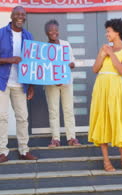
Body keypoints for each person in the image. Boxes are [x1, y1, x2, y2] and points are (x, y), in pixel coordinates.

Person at [0, 6, 38, 163]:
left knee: (23, 117)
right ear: (11, 15)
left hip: (20, 83)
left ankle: (24, 150)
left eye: (23, 14)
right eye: (17, 14)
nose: (20, 17)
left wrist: (31, 86)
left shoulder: (28, 36)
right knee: (1, 117)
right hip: (2, 82)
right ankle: (3, 151)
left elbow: (31, 63)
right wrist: (9, 59)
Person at [88, 18, 122, 172]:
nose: (106, 34)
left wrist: (111, 53)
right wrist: (103, 55)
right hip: (101, 86)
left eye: (109, 31)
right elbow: (95, 69)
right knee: (102, 120)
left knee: (118, 120)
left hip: (115, 87)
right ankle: (106, 162)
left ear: (117, 32)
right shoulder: (104, 49)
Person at [43, 19, 81, 147]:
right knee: (53, 110)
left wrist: (72, 64)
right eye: (50, 30)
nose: (53, 32)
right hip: (51, 84)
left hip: (66, 82)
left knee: (68, 109)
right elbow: (43, 67)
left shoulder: (66, 44)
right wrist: (54, 79)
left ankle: (71, 138)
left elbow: (72, 60)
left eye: (55, 30)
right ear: (46, 33)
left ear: (58, 31)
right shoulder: (44, 48)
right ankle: (55, 139)